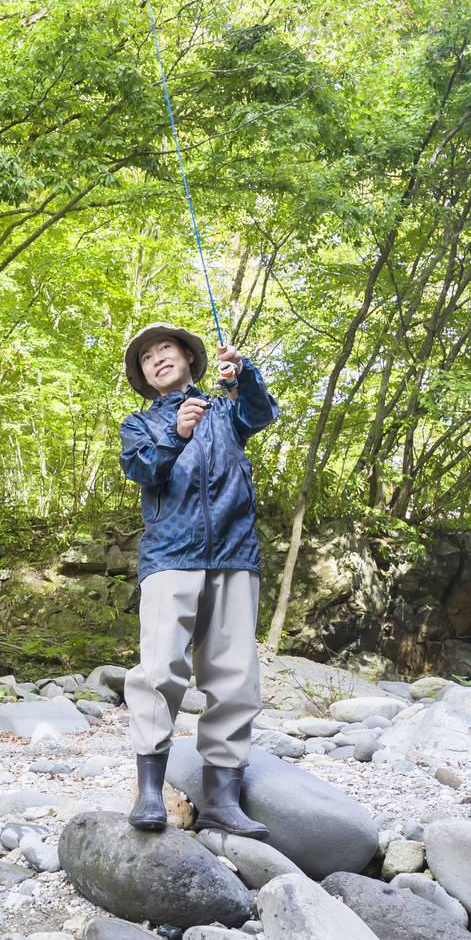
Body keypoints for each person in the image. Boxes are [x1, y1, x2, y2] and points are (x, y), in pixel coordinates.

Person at [118, 323, 280, 837]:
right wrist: (177, 432)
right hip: (170, 555)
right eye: (146, 357)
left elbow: (262, 411)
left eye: (165, 348)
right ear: (144, 375)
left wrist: (244, 371)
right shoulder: (138, 424)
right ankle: (149, 794)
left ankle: (223, 803)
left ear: (188, 356)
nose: (157, 359)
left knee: (235, 677)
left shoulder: (226, 411)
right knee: (158, 672)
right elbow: (142, 470)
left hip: (235, 556)